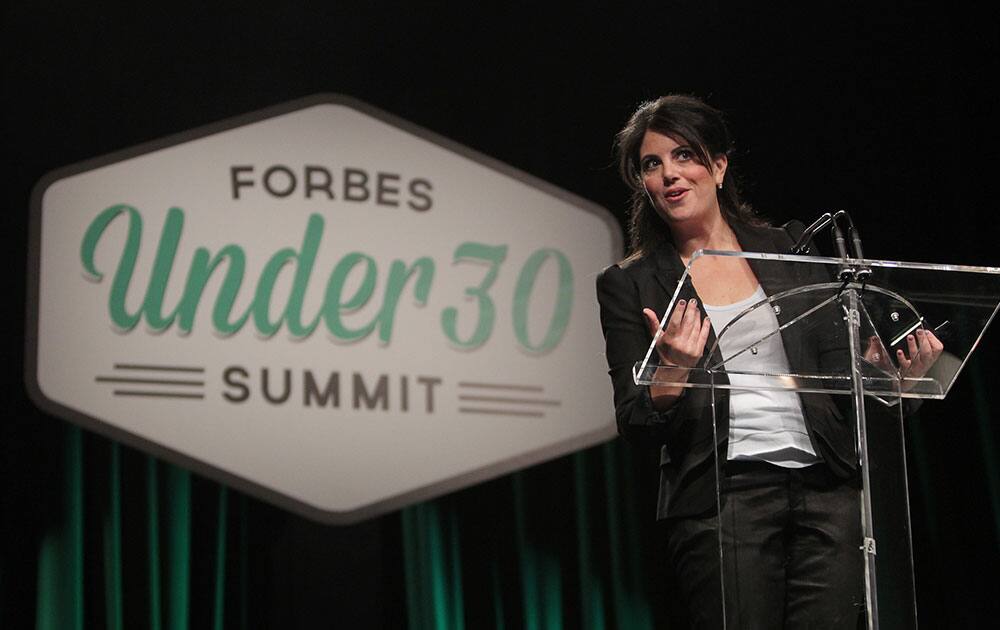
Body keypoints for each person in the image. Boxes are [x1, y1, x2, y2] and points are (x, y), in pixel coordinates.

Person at [595, 95, 942, 628]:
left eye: (684, 156)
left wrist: (889, 383)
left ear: (718, 164)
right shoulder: (630, 283)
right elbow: (635, 422)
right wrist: (675, 369)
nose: (670, 175)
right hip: (722, 502)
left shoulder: (788, 253)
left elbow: (838, 390)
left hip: (827, 491)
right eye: (652, 164)